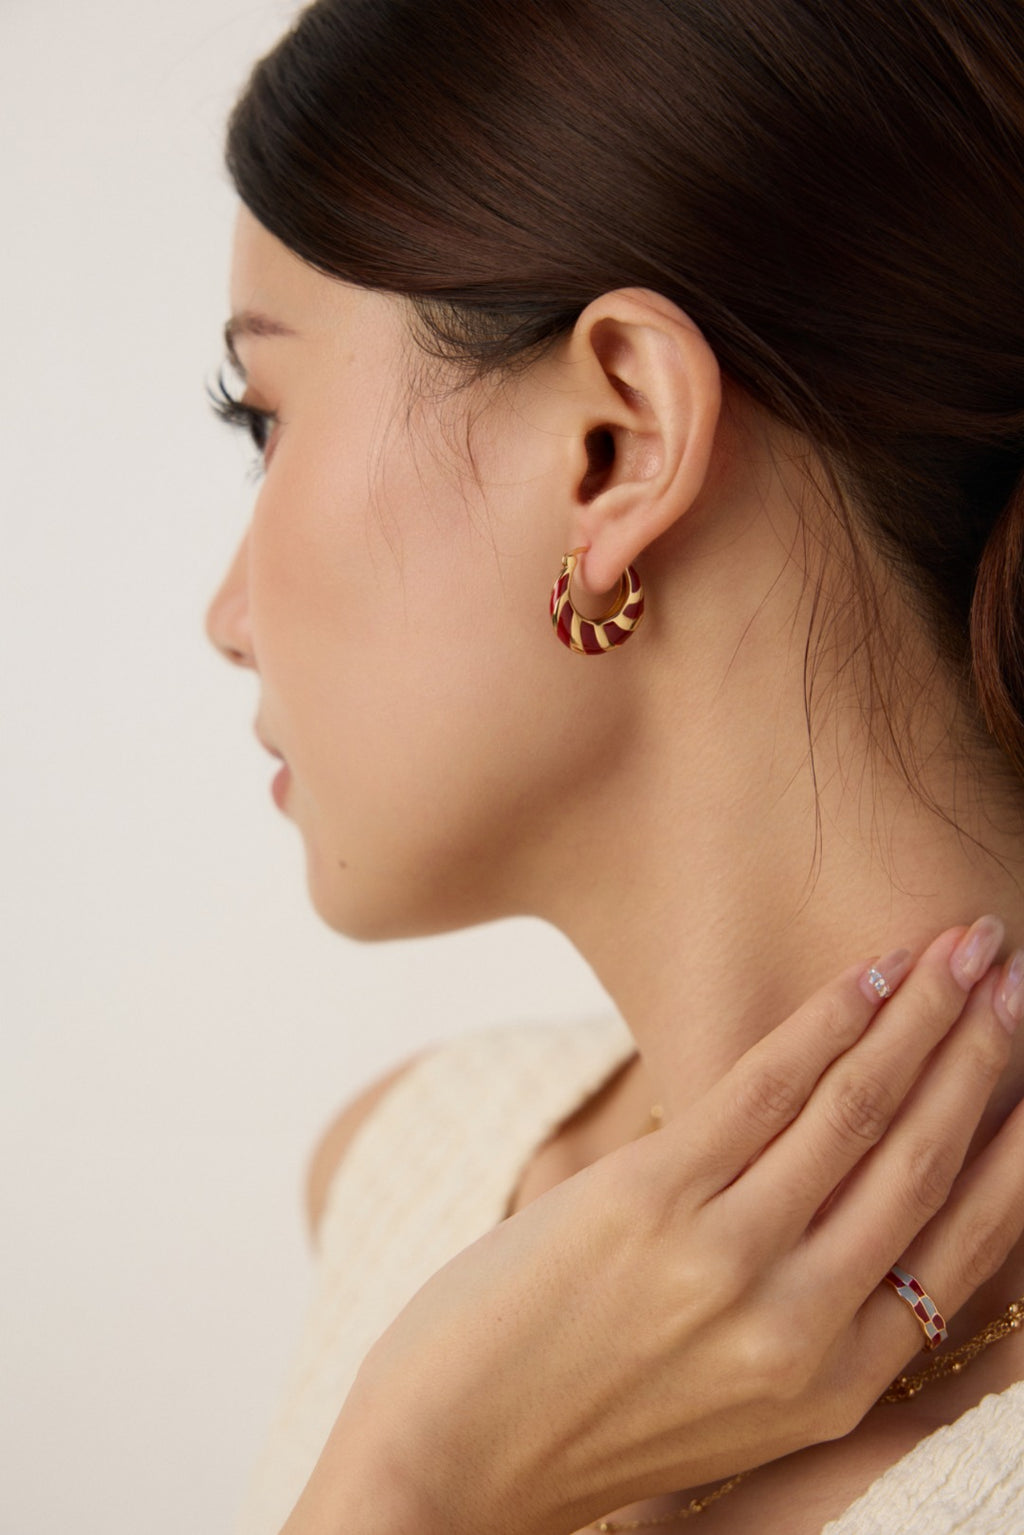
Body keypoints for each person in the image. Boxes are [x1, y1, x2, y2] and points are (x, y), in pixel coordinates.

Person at [204, 1, 1024, 1530]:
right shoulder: (415, 1170)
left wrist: (422, 1479)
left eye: (265, 419)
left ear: (618, 444)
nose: (225, 618)